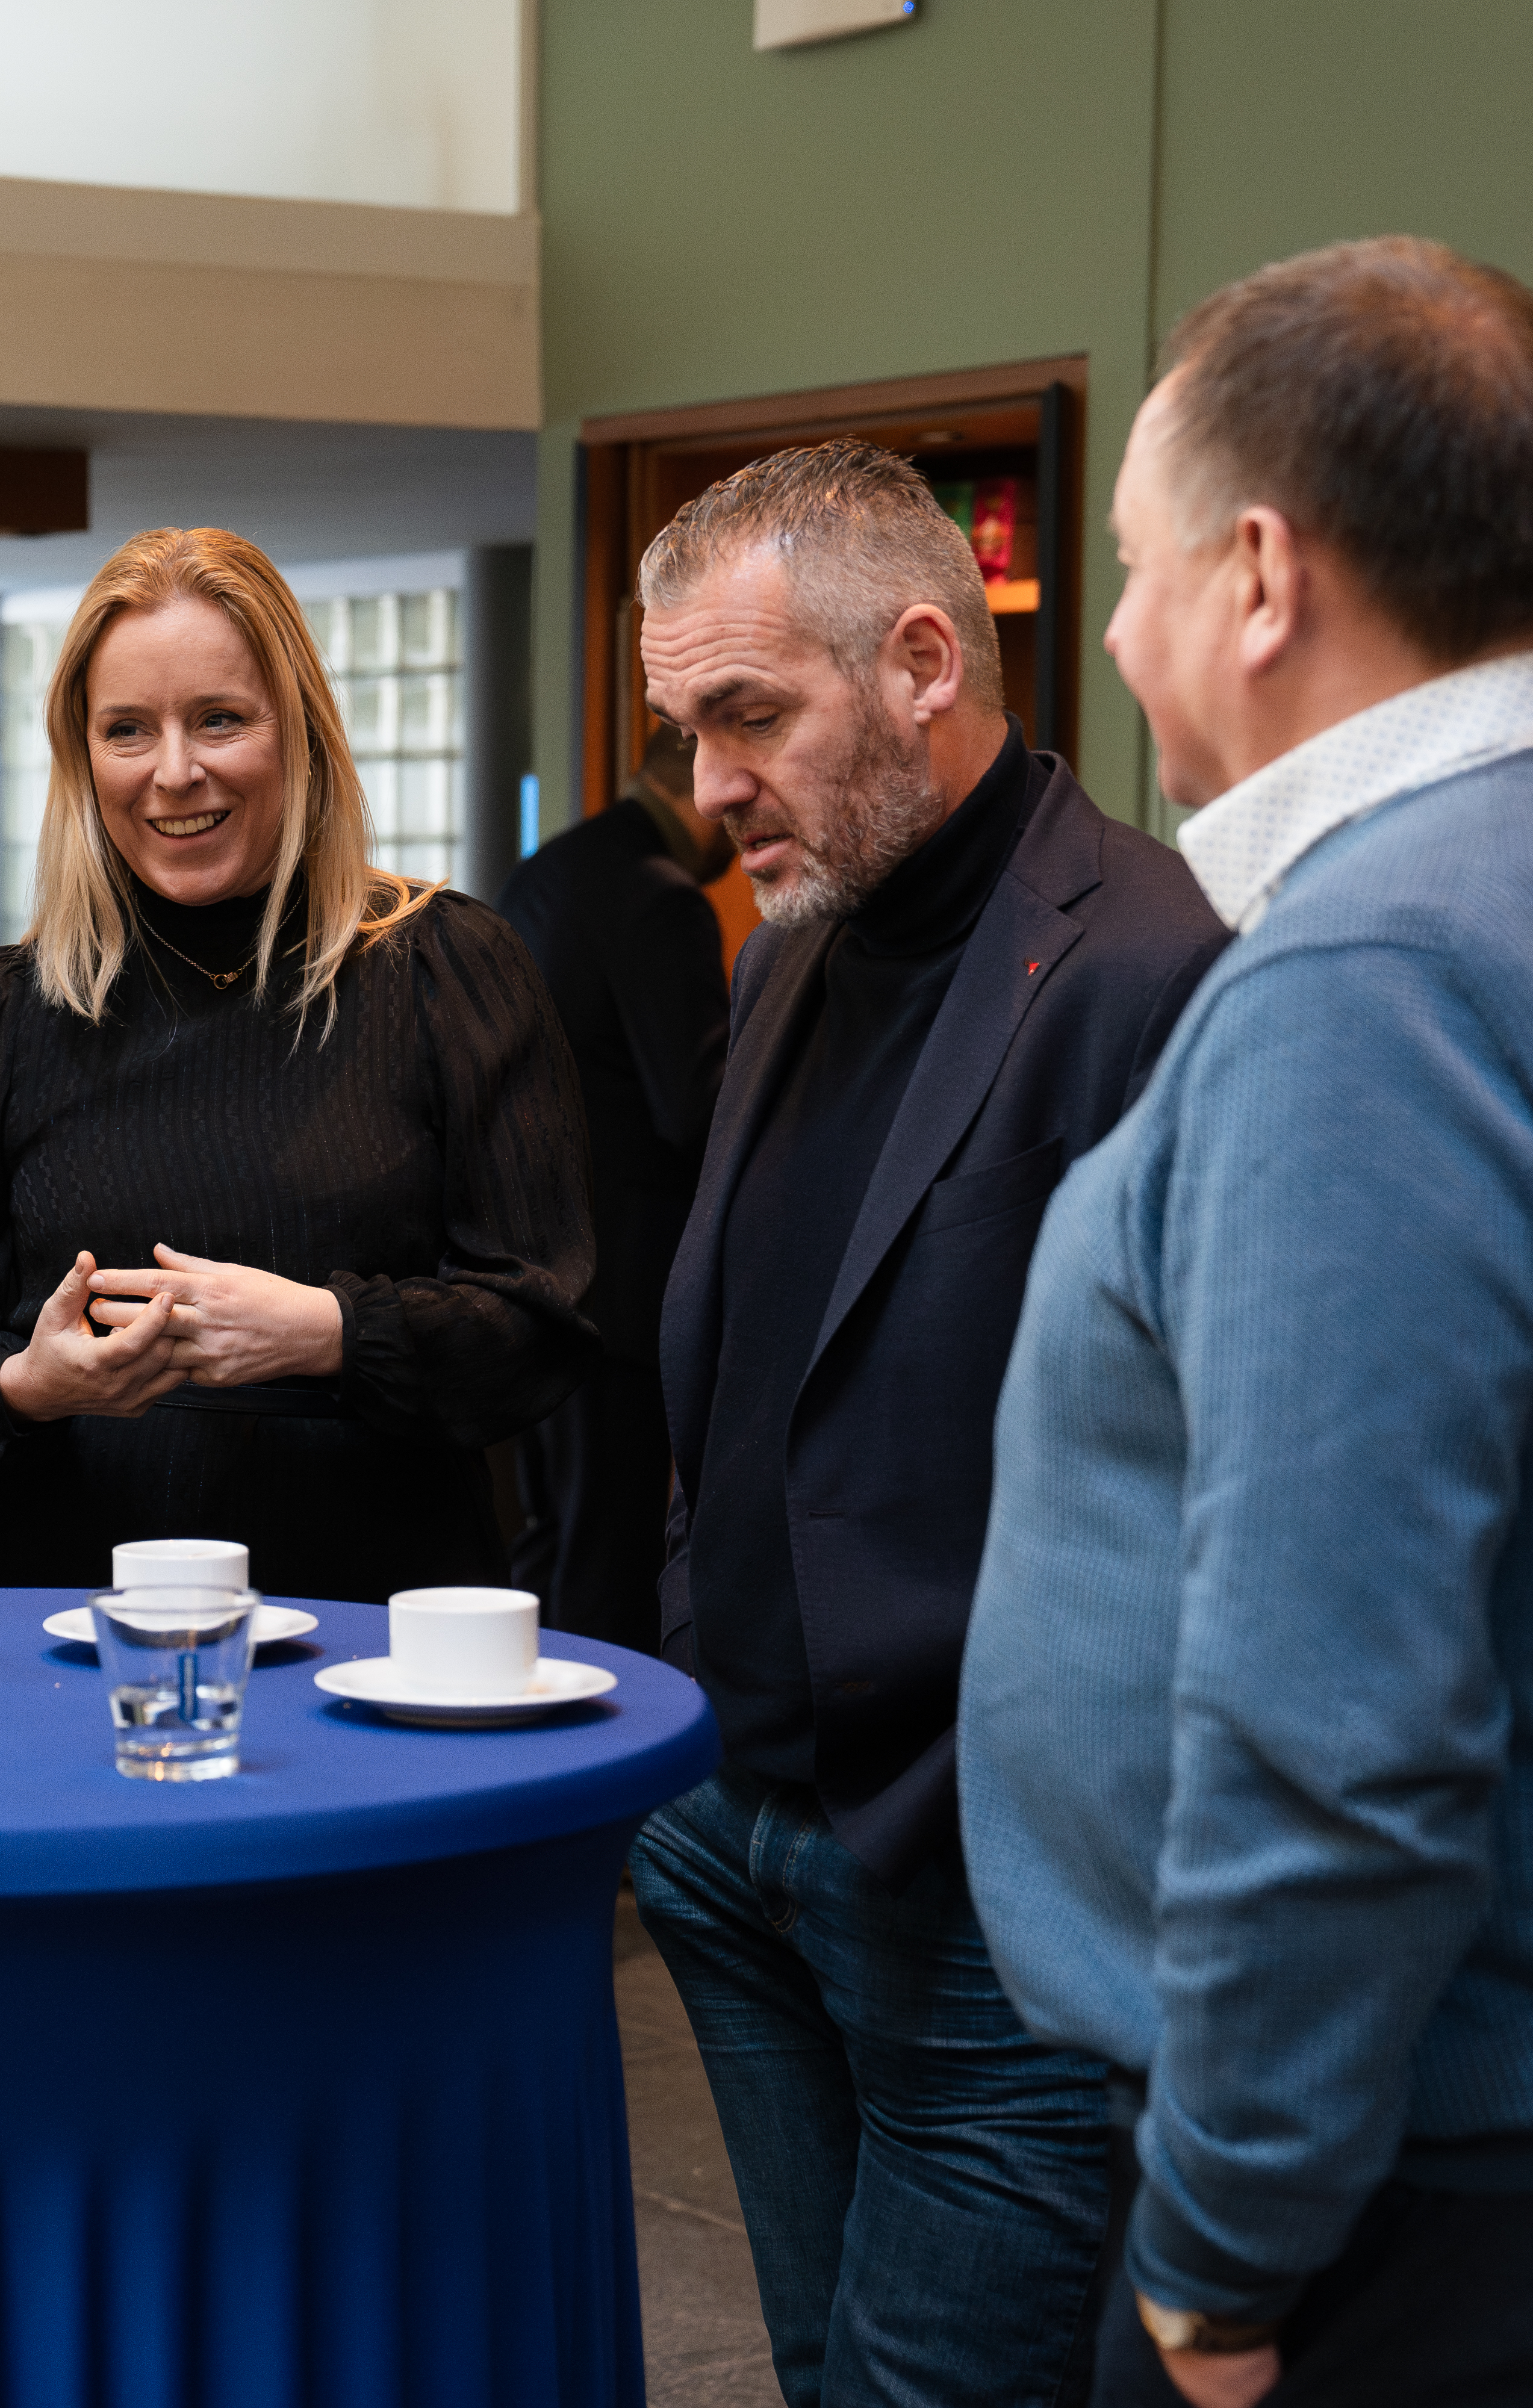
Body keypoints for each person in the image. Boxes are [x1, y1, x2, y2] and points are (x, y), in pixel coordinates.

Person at [960, 237, 1533, 2408]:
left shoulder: (1379, 984)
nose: (1125, 641)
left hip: (1443, 2223)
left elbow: (1335, 1727)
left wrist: (1218, 2260)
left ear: (1257, 578)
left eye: (1136, 573)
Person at [627, 439, 1228, 2406]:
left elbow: (1210, 1485)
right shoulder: (797, 949)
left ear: (918, 664)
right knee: (822, 2368)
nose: (710, 790)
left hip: (976, 1901)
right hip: (747, 1840)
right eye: (686, 729)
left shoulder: (1150, 965)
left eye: (748, 717)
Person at [0, 526, 592, 1604]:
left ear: (302, 735)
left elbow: (542, 1324)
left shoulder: (444, 971)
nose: (173, 773)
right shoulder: (6, 1011)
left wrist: (329, 1333)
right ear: (81, 756)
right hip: (68, 1625)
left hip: (372, 1625)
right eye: (127, 731)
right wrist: (25, 1384)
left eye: (220, 720)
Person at [497, 724, 729, 1653]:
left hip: (533, 1271)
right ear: (695, 796)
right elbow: (698, 1106)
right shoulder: (662, 898)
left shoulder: (547, 873)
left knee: (547, 1547)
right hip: (627, 1290)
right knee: (614, 1566)